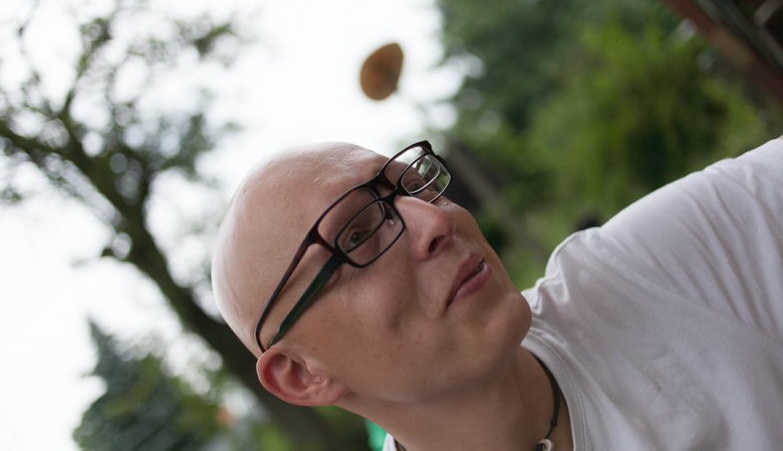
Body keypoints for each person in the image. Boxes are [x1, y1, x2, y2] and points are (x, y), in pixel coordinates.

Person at [211, 138, 783, 450]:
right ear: (301, 375)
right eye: (357, 236)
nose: (439, 220)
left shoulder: (659, 268)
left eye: (413, 188)